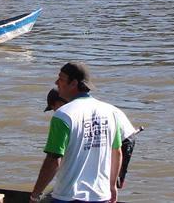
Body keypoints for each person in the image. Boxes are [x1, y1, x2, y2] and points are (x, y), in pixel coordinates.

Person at [30, 62, 122, 203]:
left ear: (73, 83)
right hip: (101, 196)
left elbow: (53, 160)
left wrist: (35, 194)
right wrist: (112, 186)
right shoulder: (111, 112)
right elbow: (117, 152)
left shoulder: (63, 115)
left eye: (60, 79)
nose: (56, 82)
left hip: (68, 196)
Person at [44, 88, 141, 189]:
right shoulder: (76, 111)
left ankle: (113, 189)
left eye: (54, 108)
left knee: (114, 176)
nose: (55, 112)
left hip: (125, 138)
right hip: (109, 133)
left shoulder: (76, 110)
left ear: (61, 102)